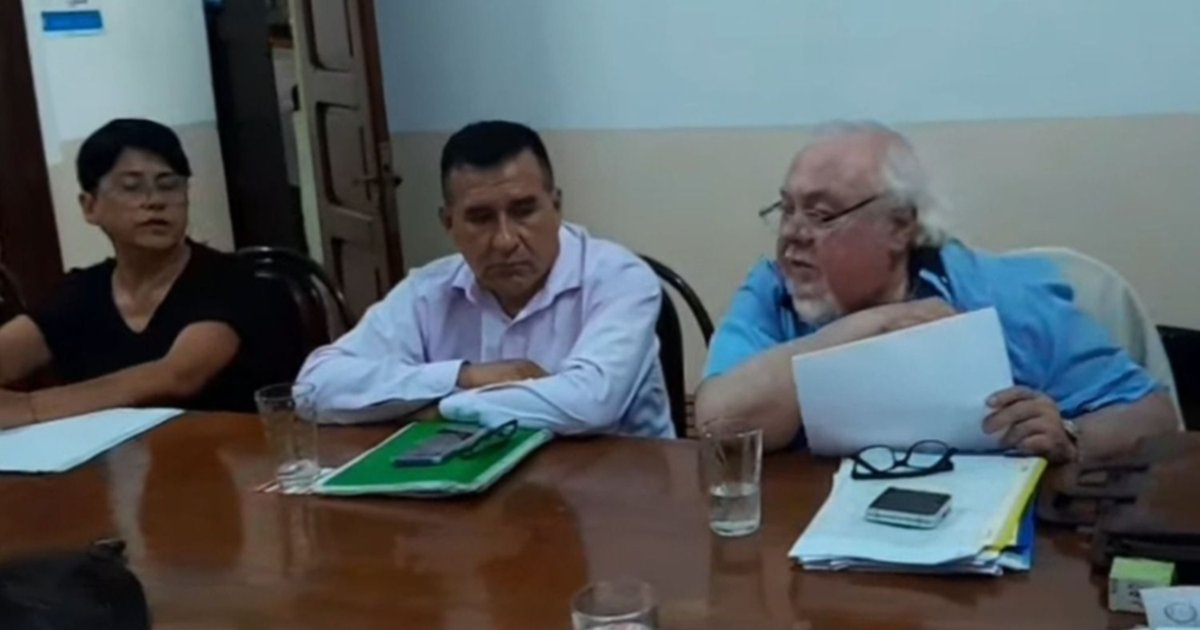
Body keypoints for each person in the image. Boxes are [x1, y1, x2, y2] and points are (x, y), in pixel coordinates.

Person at [695, 121, 1177, 462]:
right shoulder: (774, 290)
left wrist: (1071, 437)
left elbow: (1152, 416)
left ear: (899, 227)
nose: (792, 234)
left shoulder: (998, 294)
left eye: (820, 215)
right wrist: (868, 327)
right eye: (786, 209)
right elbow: (719, 426)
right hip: (806, 538)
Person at [298, 120, 672, 437]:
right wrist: (465, 376)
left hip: (618, 486)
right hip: (475, 483)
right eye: (480, 218)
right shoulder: (429, 291)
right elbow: (313, 387)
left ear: (556, 207)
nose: (505, 240)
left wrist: (438, 408)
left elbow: (590, 404)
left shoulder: (619, 278)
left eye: (524, 211)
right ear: (449, 224)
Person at [0, 118, 300, 428]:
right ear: (90, 206)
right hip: (116, 458)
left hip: (235, 452)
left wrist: (28, 408)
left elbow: (178, 376)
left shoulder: (238, 284)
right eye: (132, 188)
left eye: (169, 185)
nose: (155, 202)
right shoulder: (81, 292)